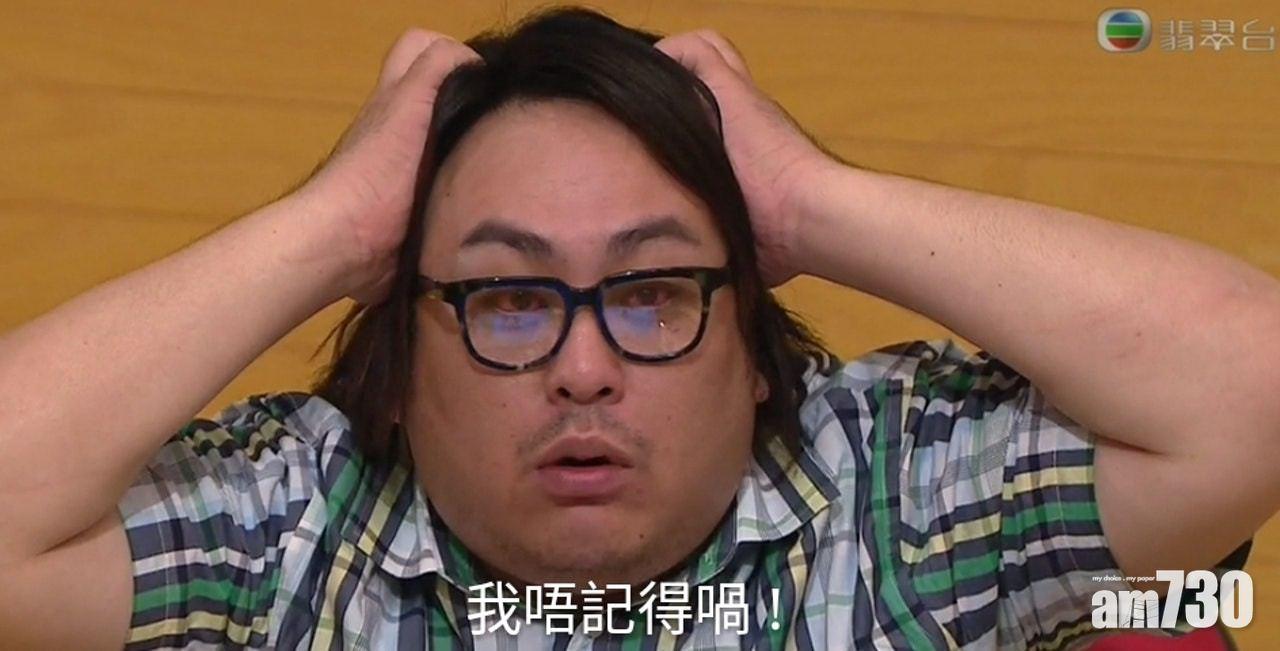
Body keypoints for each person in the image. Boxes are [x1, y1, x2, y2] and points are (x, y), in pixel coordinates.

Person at [1, 6, 1276, 650]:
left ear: (754, 359)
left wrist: (806, 201)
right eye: (506, 300)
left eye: (653, 291)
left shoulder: (901, 502)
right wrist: (330, 230)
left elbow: (1252, 384)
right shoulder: (284, 529)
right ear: (397, 368)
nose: (583, 369)